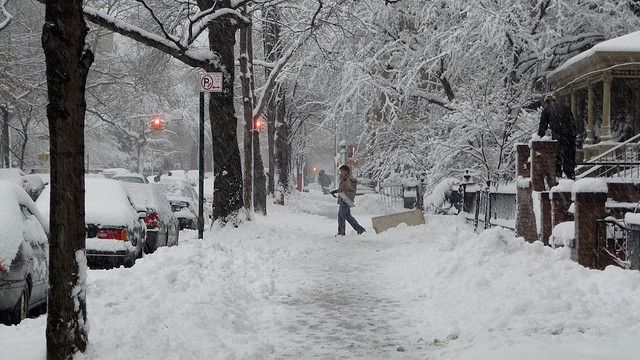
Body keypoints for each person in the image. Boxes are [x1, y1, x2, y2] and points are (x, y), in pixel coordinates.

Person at [537, 94, 577, 179]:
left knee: (556, 156)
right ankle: (570, 176)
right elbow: (572, 121)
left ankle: (557, 176)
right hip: (570, 135)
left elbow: (542, 126)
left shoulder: (547, 109)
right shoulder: (564, 107)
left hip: (559, 135)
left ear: (546, 102)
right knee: (569, 156)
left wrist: (539, 138)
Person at [331, 165, 366, 236]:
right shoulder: (346, 179)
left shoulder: (349, 180)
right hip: (345, 199)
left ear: (346, 171)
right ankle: (360, 229)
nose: (341, 173)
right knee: (347, 216)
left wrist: (343, 193)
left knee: (341, 216)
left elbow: (348, 189)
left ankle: (341, 233)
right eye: (340, 171)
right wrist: (335, 191)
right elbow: (343, 189)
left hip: (345, 199)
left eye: (342, 171)